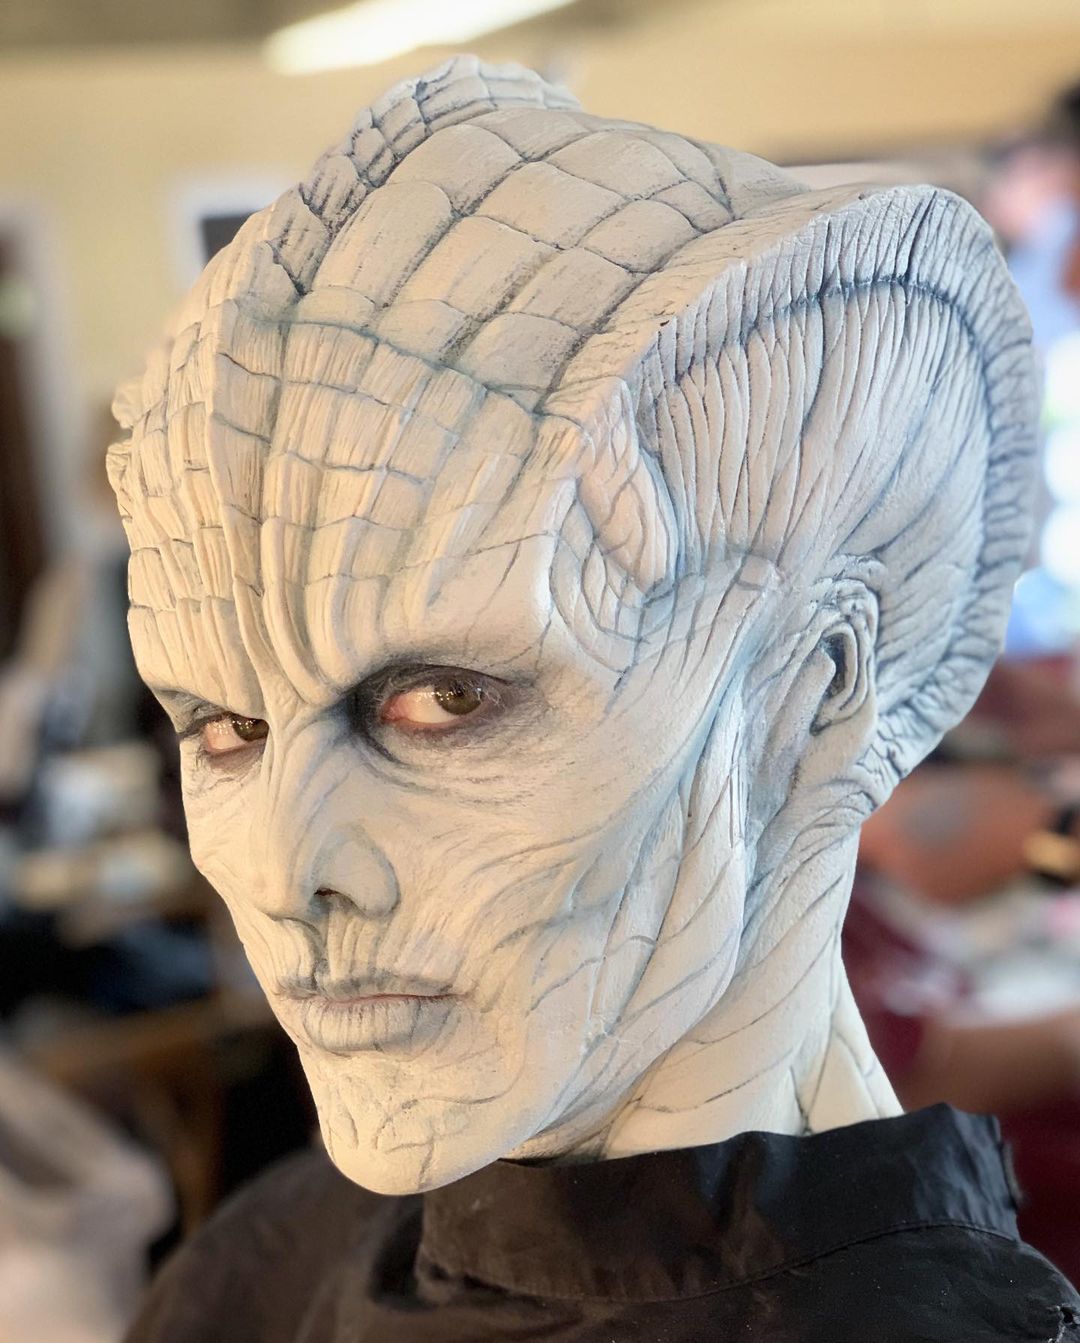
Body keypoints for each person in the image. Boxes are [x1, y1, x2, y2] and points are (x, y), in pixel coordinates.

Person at [107, 56, 1079, 1341]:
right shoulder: (249, 1269)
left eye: (447, 697)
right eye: (225, 727)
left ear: (815, 692)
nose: (286, 875)